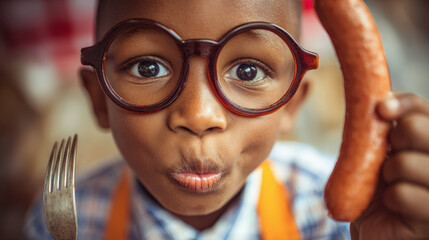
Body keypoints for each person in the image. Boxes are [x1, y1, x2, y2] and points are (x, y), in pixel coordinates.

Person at [24, 0, 429, 239]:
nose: (199, 115)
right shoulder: (65, 220)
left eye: (248, 71)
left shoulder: (335, 222)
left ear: (292, 104)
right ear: (98, 99)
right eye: (148, 68)